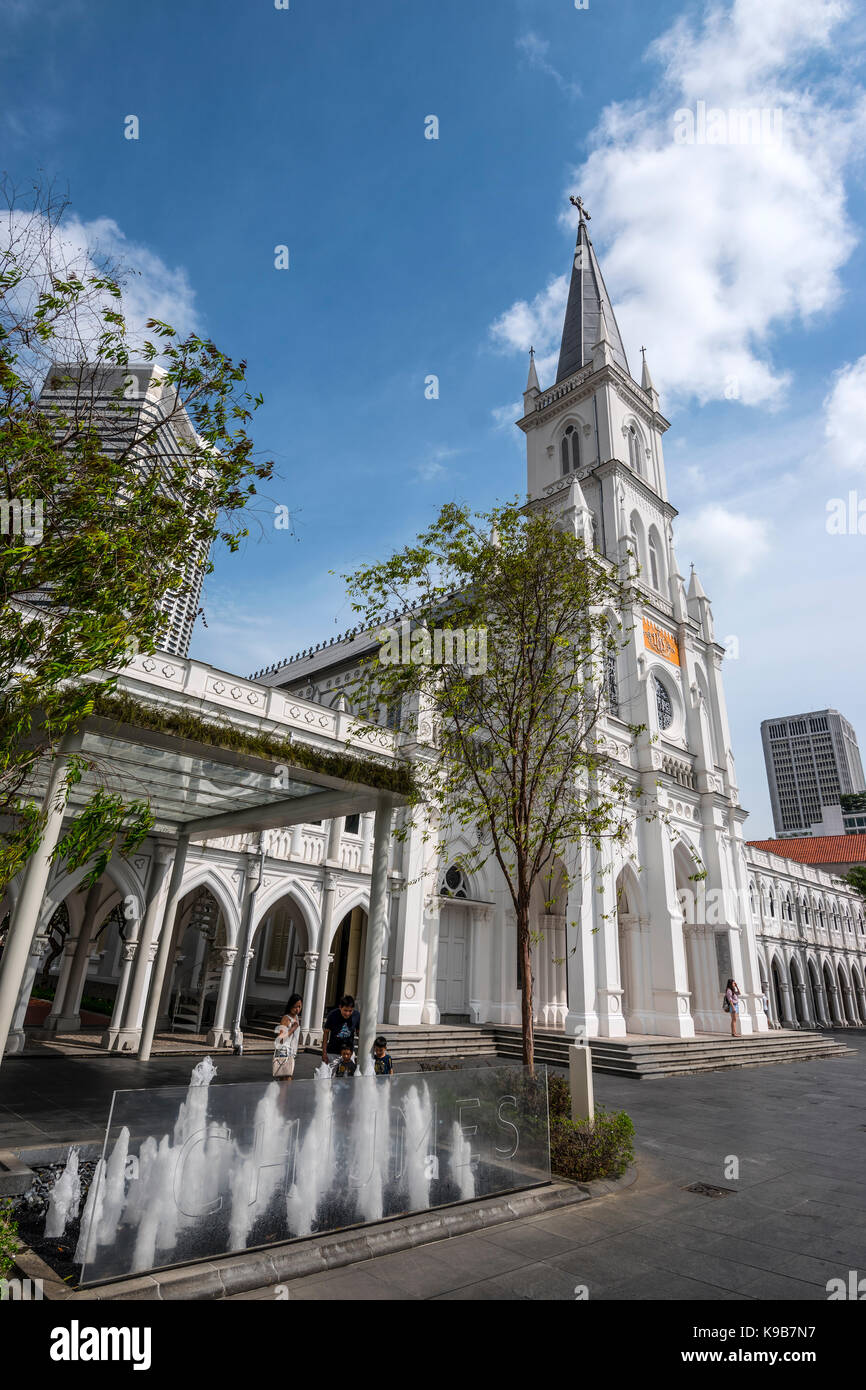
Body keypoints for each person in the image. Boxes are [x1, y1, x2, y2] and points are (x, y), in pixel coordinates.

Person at [322, 994, 360, 1064]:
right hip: (333, 1052)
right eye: (345, 1010)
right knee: (330, 1074)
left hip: (349, 1053)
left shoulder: (357, 1015)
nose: (347, 1013)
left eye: (350, 1011)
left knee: (349, 1074)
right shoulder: (332, 1015)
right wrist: (324, 1052)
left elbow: (359, 1033)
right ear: (340, 1007)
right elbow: (326, 1033)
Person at [272, 992, 303, 1080]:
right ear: (290, 1006)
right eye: (295, 1006)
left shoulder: (295, 1017)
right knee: (286, 1079)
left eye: (299, 1006)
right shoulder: (286, 1018)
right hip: (284, 1051)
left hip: (291, 1051)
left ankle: (282, 1093)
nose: (297, 1009)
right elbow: (280, 1039)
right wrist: (293, 1028)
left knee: (286, 1079)